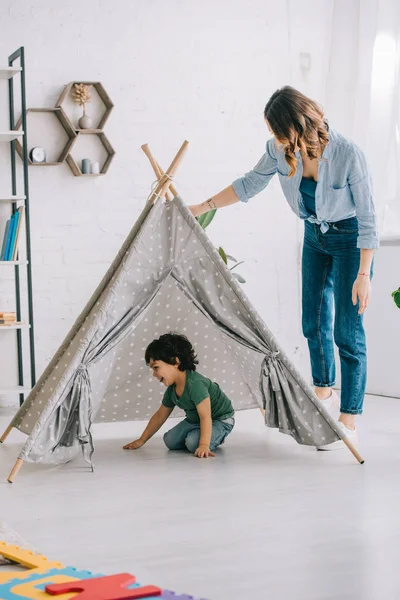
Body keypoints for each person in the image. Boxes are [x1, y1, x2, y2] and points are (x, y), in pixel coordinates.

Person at [188, 86, 379, 449]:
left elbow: (369, 218)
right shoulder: (278, 151)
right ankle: (322, 394)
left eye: (278, 131)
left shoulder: (348, 154)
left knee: (348, 332)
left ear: (297, 124)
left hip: (351, 239)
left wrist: (363, 274)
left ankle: (349, 417)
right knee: (313, 321)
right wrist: (202, 206)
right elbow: (248, 185)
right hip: (315, 237)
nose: (275, 140)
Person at [123, 333, 235, 458]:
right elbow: (160, 416)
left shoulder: (196, 385)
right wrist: (141, 440)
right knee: (169, 441)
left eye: (156, 368)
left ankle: (216, 436)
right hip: (196, 420)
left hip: (219, 419)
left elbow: (205, 416)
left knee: (193, 444)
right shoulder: (172, 390)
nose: (154, 374)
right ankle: (199, 434)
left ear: (175, 361)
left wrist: (203, 445)